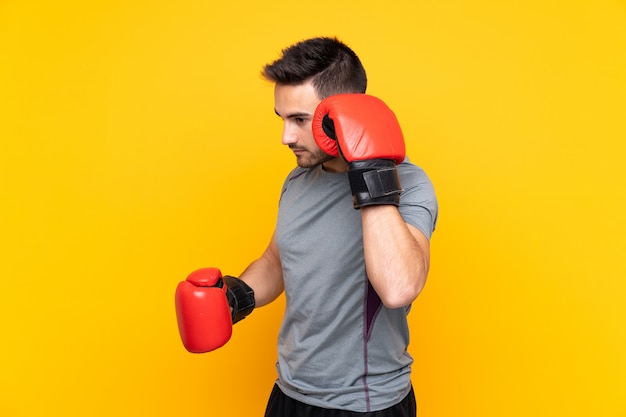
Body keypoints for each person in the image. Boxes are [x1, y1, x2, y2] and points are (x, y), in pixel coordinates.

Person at [175, 36, 438, 417]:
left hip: (365, 404)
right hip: (290, 392)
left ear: (342, 115)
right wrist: (236, 295)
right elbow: (277, 261)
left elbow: (399, 287)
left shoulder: (408, 183)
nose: (286, 137)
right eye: (282, 119)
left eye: (299, 119)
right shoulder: (298, 182)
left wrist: (369, 169)